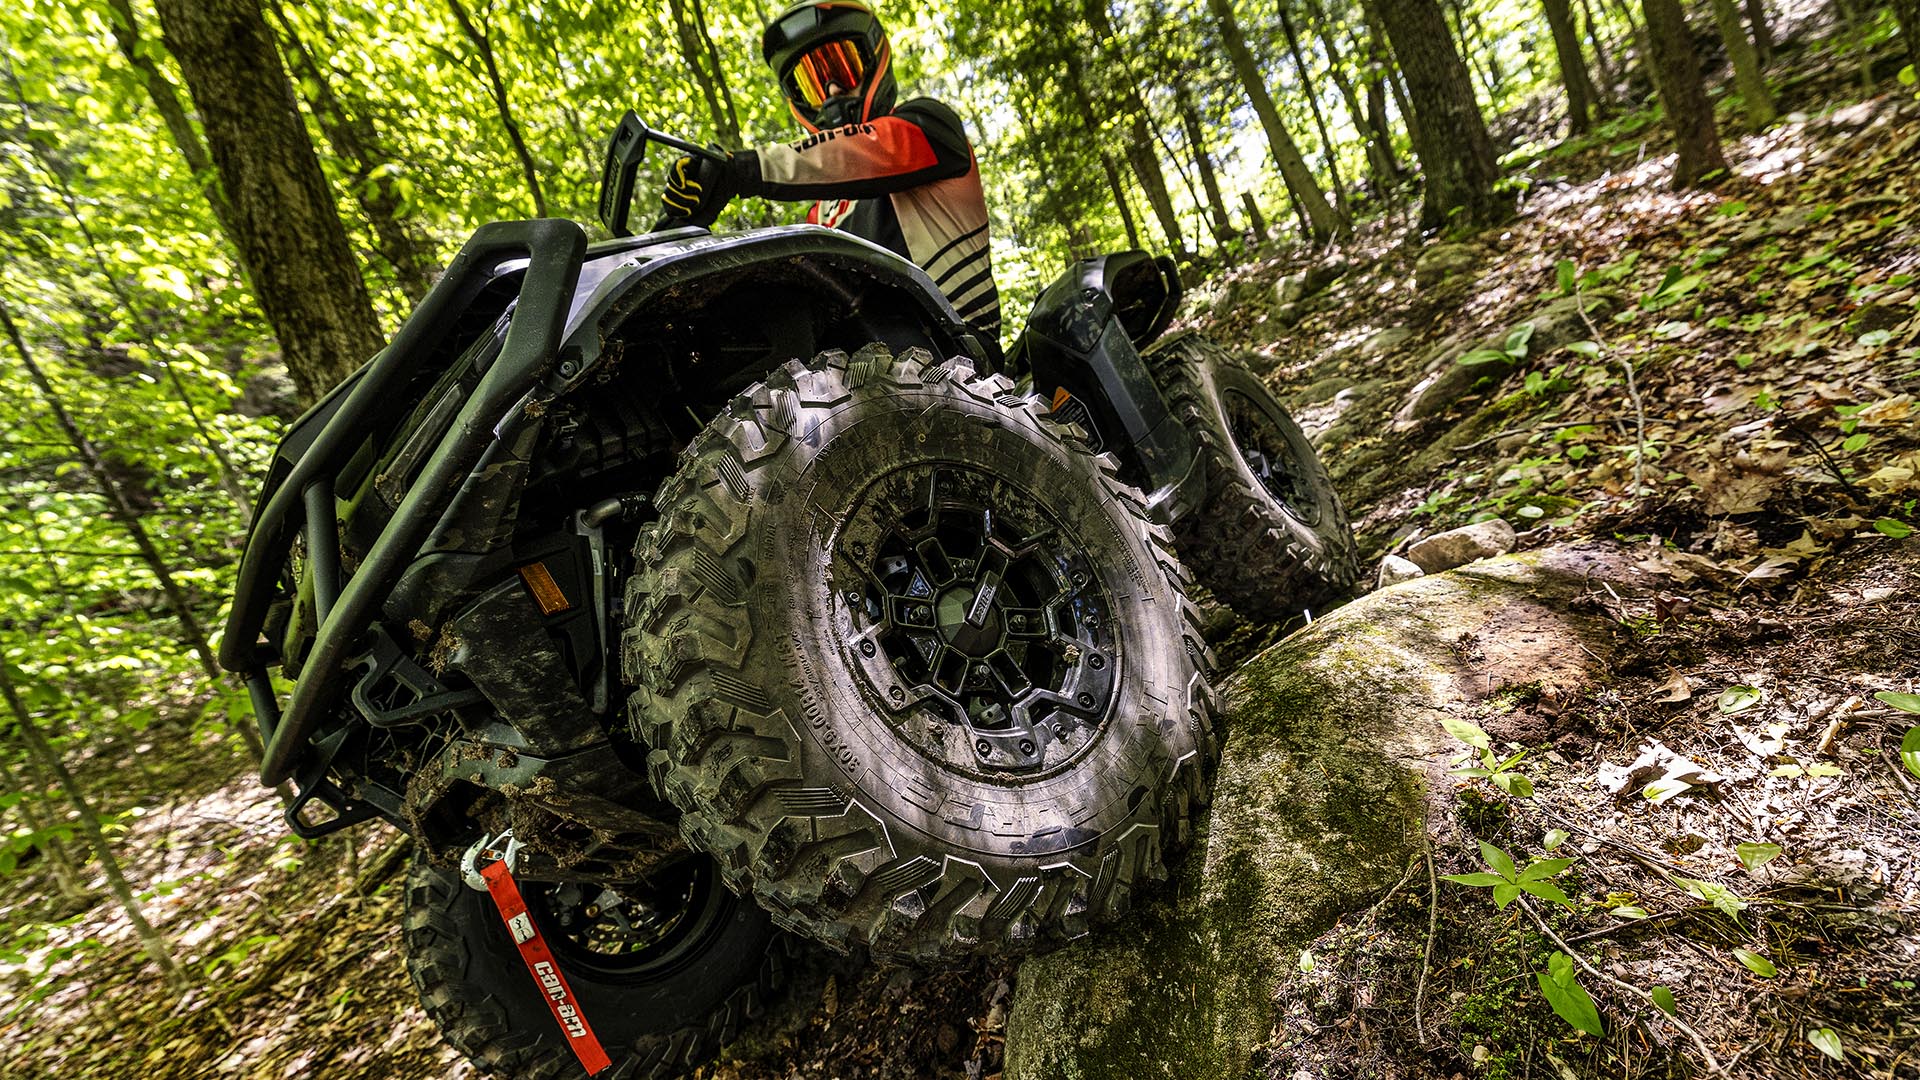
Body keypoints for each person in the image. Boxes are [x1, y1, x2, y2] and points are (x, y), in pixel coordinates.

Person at [659, 0, 1002, 347]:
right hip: (852, 371)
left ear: (874, 63)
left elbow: (863, 152)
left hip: (958, 354)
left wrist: (739, 171)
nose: (832, 90)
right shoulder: (821, 211)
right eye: (813, 83)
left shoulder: (931, 126)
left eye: (843, 68)